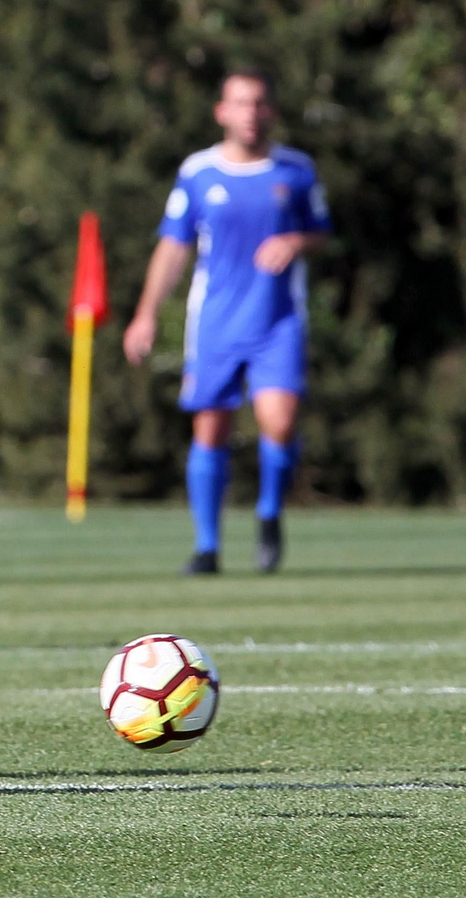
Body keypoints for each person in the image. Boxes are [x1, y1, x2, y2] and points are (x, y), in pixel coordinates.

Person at [124, 68, 331, 575]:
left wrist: (296, 241)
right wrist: (146, 313)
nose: (251, 114)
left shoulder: (296, 171)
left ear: (272, 111)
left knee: (278, 423)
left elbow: (321, 231)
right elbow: (174, 247)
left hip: (278, 319)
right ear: (222, 111)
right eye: (241, 103)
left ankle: (268, 513)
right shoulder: (198, 173)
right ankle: (207, 547)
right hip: (215, 321)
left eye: (259, 103)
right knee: (210, 428)